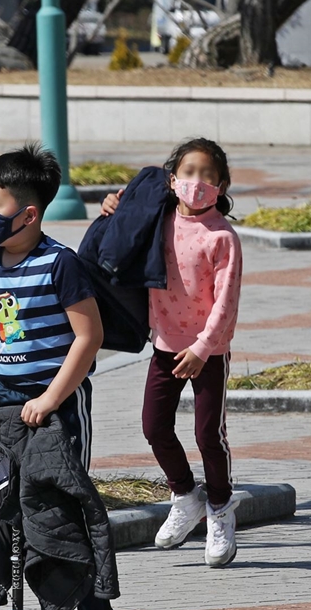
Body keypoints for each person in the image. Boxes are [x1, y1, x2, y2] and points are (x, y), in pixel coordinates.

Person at [0, 143, 120, 610]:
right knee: (10, 510)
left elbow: (88, 336)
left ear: (28, 213)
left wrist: (51, 398)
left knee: (65, 510)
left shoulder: (59, 263)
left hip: (59, 405)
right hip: (5, 404)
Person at [102, 137, 243, 567]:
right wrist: (113, 204)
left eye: (208, 175)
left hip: (208, 352)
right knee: (153, 426)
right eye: (189, 172)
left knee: (208, 436)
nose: (197, 181)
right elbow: (125, 218)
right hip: (164, 346)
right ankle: (185, 495)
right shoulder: (159, 215)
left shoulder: (223, 237)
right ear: (173, 178)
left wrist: (203, 348)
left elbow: (226, 303)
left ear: (220, 185)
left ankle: (220, 508)